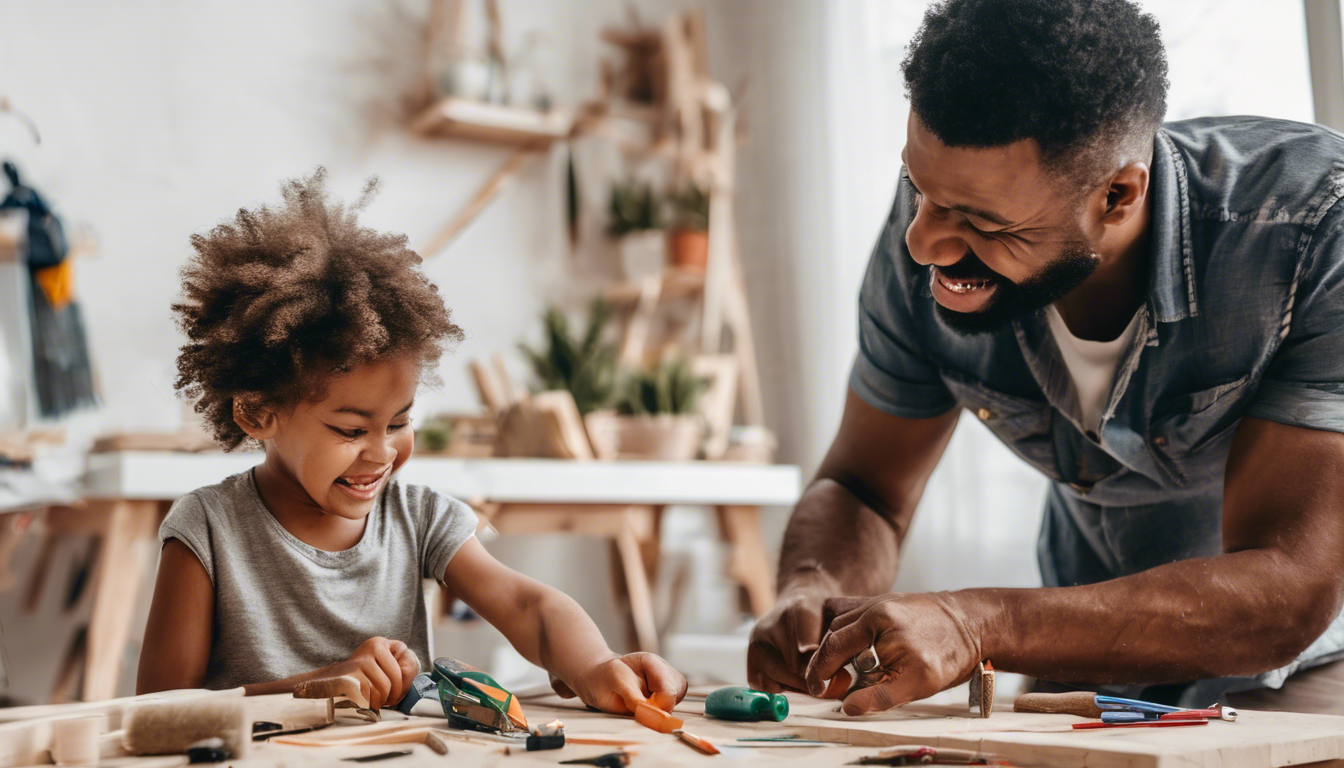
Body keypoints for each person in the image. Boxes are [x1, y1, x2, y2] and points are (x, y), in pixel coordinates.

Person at [748, 0, 1344, 716]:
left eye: (980, 222)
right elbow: (863, 487)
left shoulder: (1312, 232)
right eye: (920, 187)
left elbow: (1286, 592)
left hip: (1309, 653)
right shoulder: (939, 217)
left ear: (1118, 195)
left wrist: (978, 622)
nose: (922, 244)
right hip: (1085, 655)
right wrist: (811, 590)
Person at [137, 169, 687, 714]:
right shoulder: (207, 530)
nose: (381, 453)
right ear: (259, 412)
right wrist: (312, 687)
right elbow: (159, 709)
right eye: (351, 430)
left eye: (398, 423)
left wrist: (595, 664)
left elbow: (528, 605)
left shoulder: (418, 520)